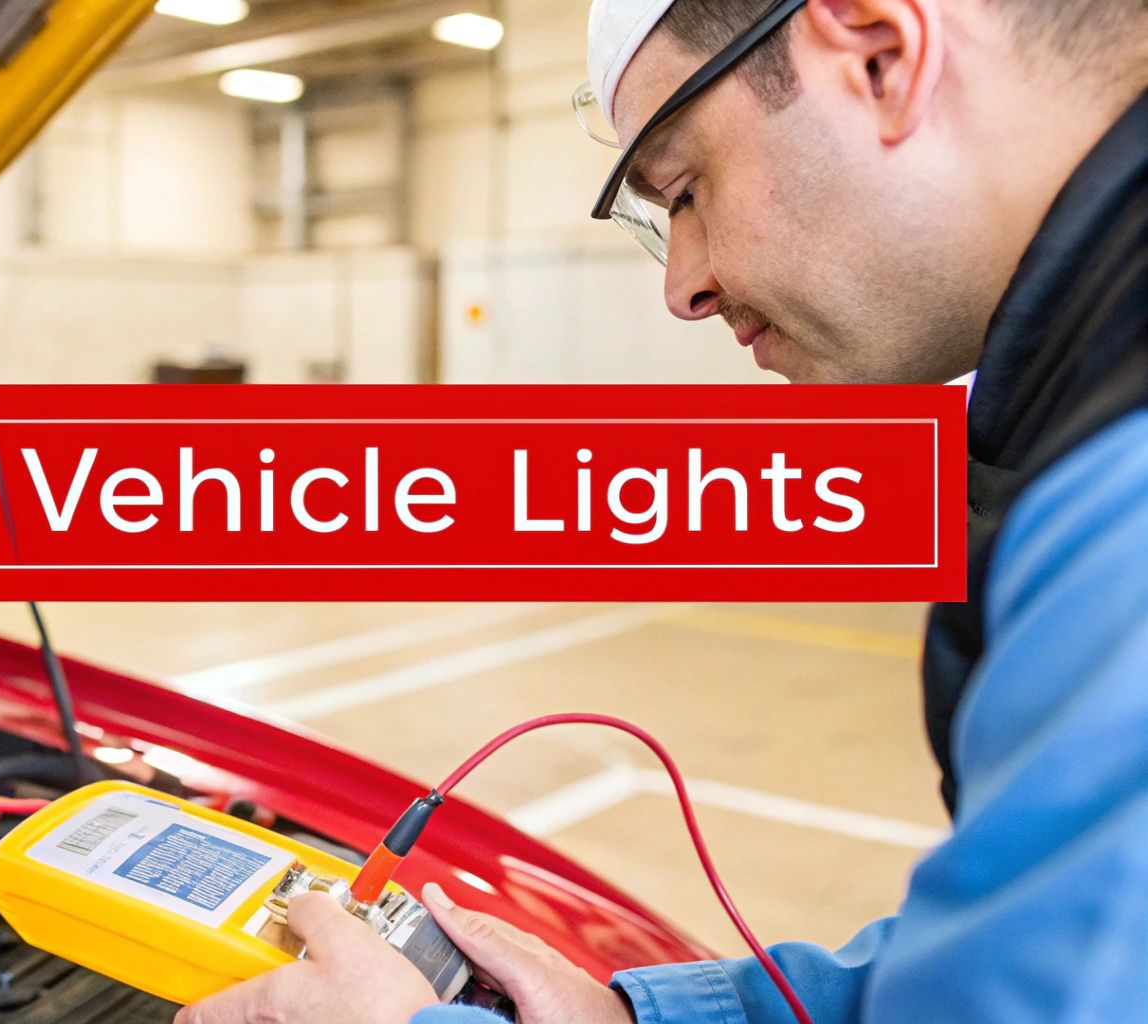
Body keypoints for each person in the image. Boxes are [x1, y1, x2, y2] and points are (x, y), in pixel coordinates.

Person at [176, 0, 1148, 1020]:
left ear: (876, 55)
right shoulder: (1086, 406)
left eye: (684, 189)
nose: (682, 287)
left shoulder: (1119, 503)